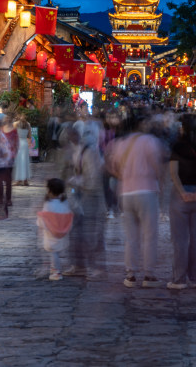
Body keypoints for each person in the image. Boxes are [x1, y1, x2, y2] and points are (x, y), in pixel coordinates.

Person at [106, 118, 167, 288]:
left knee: (131, 236)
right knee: (149, 235)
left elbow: (110, 166)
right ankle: (149, 274)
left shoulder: (119, 144)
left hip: (126, 193)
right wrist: (161, 183)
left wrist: (122, 176)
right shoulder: (150, 141)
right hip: (147, 191)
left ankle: (130, 274)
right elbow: (157, 165)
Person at [167, 113, 196, 290]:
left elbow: (173, 172)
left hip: (180, 196)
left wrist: (182, 192)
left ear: (182, 128)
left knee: (180, 240)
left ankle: (179, 279)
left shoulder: (177, 146)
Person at [63, 119, 108, 280]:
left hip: (92, 195)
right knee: (77, 231)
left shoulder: (90, 151)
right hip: (81, 195)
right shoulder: (80, 150)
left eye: (74, 134)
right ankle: (79, 265)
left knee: (92, 232)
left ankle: (97, 267)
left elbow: (93, 179)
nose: (71, 137)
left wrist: (75, 181)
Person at [36, 178, 74, 281]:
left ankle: (56, 272)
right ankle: (68, 267)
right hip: (64, 232)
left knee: (54, 253)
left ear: (49, 191)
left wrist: (40, 225)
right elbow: (69, 216)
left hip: (51, 234)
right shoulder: (65, 202)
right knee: (64, 251)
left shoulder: (48, 205)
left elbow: (43, 220)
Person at [12, 115, 32, 186]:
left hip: (18, 144)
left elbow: (12, 134)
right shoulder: (28, 124)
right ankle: (25, 180)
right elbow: (29, 136)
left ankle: (18, 180)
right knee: (25, 162)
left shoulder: (15, 124)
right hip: (25, 144)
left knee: (18, 163)